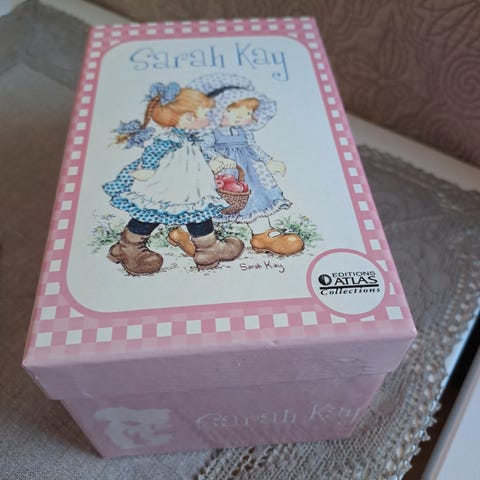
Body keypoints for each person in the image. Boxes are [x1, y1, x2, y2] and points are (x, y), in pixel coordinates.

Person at [103, 81, 244, 275]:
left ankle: (208, 249)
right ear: (188, 117)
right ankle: (128, 247)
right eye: (204, 114)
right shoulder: (168, 138)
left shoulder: (189, 137)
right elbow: (152, 154)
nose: (208, 119)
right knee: (150, 213)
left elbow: (199, 154)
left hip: (192, 186)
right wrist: (148, 170)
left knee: (198, 212)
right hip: (166, 185)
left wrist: (214, 160)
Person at [168, 74, 303, 256]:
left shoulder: (244, 132)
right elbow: (203, 148)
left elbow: (253, 147)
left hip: (247, 172)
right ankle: (186, 233)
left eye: (247, 113)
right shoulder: (209, 131)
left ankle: (263, 234)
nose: (240, 118)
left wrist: (268, 160)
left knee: (255, 198)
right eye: (231, 112)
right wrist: (214, 159)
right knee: (211, 203)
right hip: (220, 174)